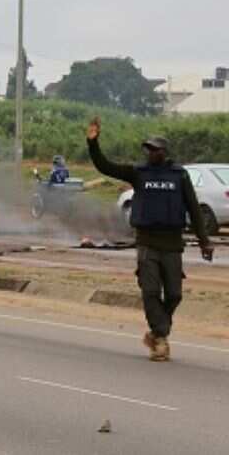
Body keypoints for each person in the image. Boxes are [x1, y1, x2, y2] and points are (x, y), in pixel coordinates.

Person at [87, 117, 213, 361]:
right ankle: (161, 339)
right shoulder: (138, 173)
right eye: (148, 148)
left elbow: (194, 209)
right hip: (147, 242)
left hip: (172, 243)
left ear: (164, 152)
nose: (150, 152)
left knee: (175, 294)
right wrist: (93, 143)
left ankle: (157, 331)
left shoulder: (180, 176)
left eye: (155, 149)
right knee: (151, 290)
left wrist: (204, 240)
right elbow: (105, 167)